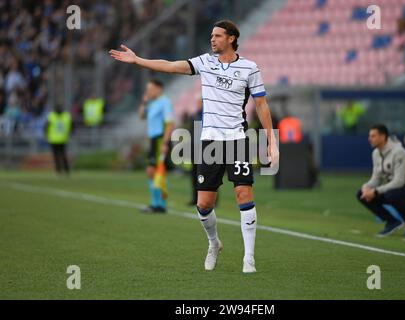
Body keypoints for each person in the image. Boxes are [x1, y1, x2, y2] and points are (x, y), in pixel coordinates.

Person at [110, 19, 279, 273]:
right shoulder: (205, 62)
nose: (212, 39)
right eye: (211, 35)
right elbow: (169, 66)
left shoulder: (249, 68)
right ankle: (214, 244)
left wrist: (271, 141)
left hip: (237, 139)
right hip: (210, 141)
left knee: (244, 194)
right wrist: (138, 60)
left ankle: (249, 258)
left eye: (218, 35)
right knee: (203, 205)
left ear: (232, 38)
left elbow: (262, 105)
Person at [357, 124, 405, 237]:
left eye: (373, 136)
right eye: (369, 136)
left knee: (391, 195)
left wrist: (375, 191)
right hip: (392, 191)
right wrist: (366, 187)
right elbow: (376, 178)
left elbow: (399, 182)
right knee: (361, 194)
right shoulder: (376, 153)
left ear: (383, 137)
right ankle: (392, 222)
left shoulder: (399, 152)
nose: (369, 139)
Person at [138, 79, 174, 213]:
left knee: (155, 171)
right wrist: (144, 101)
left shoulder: (165, 102)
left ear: (159, 89)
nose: (148, 92)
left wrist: (165, 143)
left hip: (160, 139)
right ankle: (157, 204)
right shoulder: (153, 103)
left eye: (150, 89)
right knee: (152, 172)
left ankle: (159, 204)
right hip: (154, 140)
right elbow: (141, 116)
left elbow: (170, 123)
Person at [45, 105, 72, 175]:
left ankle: (58, 171)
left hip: (54, 139)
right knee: (63, 155)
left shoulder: (51, 116)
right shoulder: (66, 116)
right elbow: (71, 126)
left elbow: (46, 127)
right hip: (63, 138)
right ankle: (66, 170)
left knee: (57, 156)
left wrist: (47, 135)